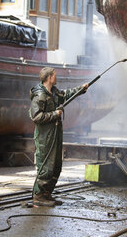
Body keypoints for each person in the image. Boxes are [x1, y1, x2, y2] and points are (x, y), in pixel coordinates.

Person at [29, 67, 88, 206]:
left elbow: (66, 94)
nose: (56, 77)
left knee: (56, 166)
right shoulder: (40, 95)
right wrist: (55, 114)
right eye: (54, 75)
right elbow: (35, 116)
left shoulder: (54, 92)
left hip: (55, 133)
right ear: (49, 77)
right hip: (45, 136)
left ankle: (46, 194)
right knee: (46, 166)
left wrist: (81, 88)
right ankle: (38, 196)